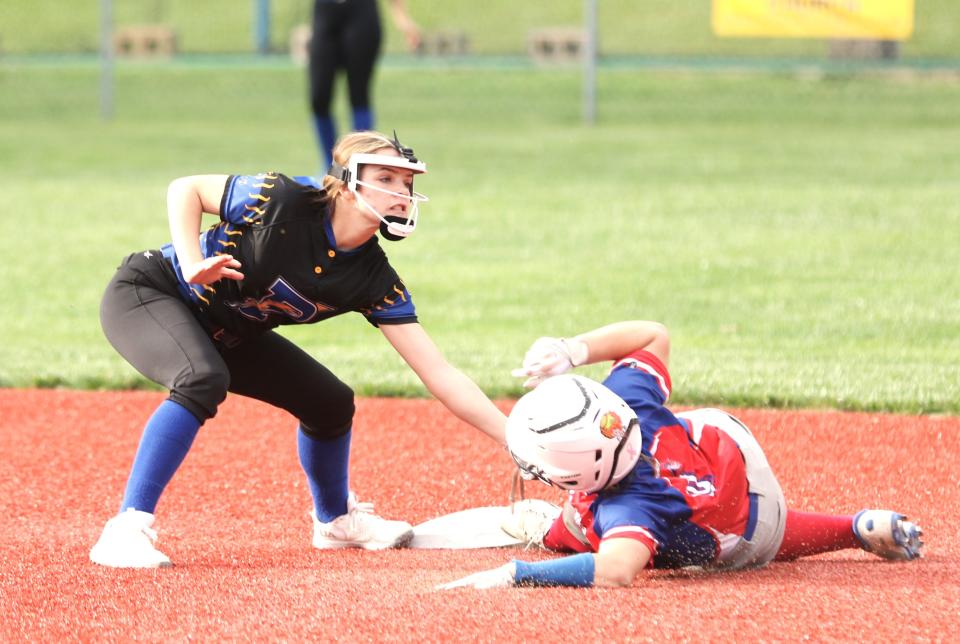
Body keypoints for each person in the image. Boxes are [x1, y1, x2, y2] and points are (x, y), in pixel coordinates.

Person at [90, 130, 506, 569]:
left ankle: (336, 523)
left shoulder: (373, 277)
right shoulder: (283, 198)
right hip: (151, 293)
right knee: (202, 379)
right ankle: (125, 529)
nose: (401, 194)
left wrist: (513, 440)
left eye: (407, 184)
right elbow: (185, 188)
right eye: (387, 178)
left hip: (227, 330)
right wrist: (193, 263)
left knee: (330, 402)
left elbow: (438, 371)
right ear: (346, 183)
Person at [439, 321, 924, 589]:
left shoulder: (628, 507)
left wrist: (519, 574)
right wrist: (573, 349)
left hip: (743, 533)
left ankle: (849, 528)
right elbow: (653, 334)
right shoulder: (627, 400)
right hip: (726, 456)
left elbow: (614, 571)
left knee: (578, 533)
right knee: (686, 449)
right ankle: (855, 526)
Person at [309, 0, 421, 170]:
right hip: (326, 13)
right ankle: (331, 168)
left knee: (359, 94)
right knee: (319, 98)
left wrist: (402, 18)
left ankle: (360, 167)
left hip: (361, 13)